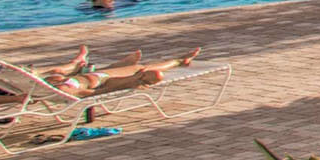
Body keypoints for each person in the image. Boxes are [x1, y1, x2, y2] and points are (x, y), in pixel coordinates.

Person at [47, 35, 203, 96]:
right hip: (103, 82)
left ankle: (179, 61)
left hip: (100, 75)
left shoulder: (50, 83)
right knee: (145, 71)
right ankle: (179, 61)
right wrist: (128, 84)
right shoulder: (63, 90)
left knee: (141, 67)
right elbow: (91, 94)